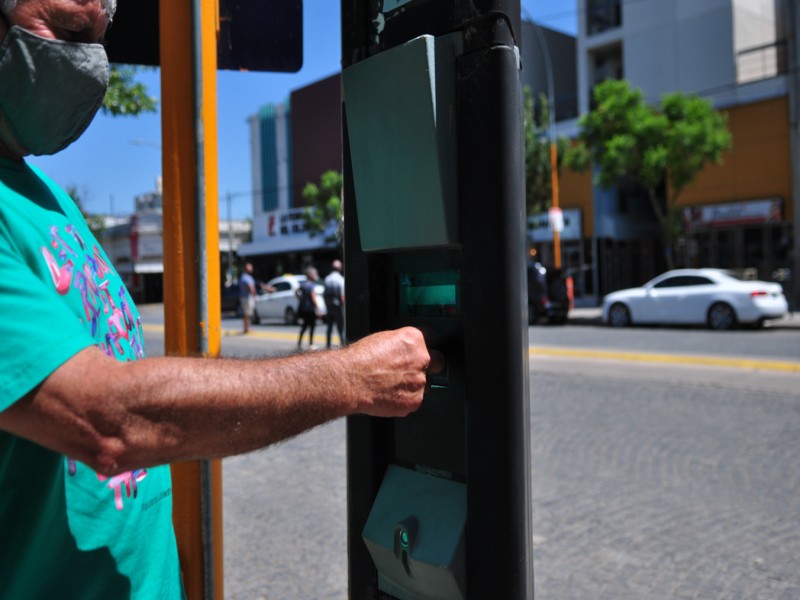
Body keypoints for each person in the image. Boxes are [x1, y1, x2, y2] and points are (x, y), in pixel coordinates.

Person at [0, 1, 441, 597]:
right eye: (71, 33)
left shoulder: (43, 192)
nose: (88, 65)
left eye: (99, 42)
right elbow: (107, 419)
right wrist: (350, 378)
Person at [296, 265, 321, 349]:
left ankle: (299, 344)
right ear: (310, 275)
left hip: (304, 309)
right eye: (314, 274)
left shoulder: (303, 284)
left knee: (304, 326)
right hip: (310, 309)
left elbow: (296, 291)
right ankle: (311, 344)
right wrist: (318, 309)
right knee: (312, 326)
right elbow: (313, 297)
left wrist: (300, 300)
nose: (315, 275)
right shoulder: (311, 285)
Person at [324, 259, 346, 348]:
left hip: (329, 306)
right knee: (340, 328)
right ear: (340, 268)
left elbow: (324, 294)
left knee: (329, 327)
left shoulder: (327, 278)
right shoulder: (340, 279)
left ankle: (328, 345)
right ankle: (343, 345)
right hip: (338, 307)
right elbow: (342, 296)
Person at [238, 262, 257, 333]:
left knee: (246, 313)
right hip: (247, 298)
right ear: (247, 268)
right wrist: (254, 297)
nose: (252, 268)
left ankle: (246, 327)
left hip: (244, 297)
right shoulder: (247, 277)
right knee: (247, 313)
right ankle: (247, 328)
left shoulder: (242, 277)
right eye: (250, 267)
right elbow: (251, 288)